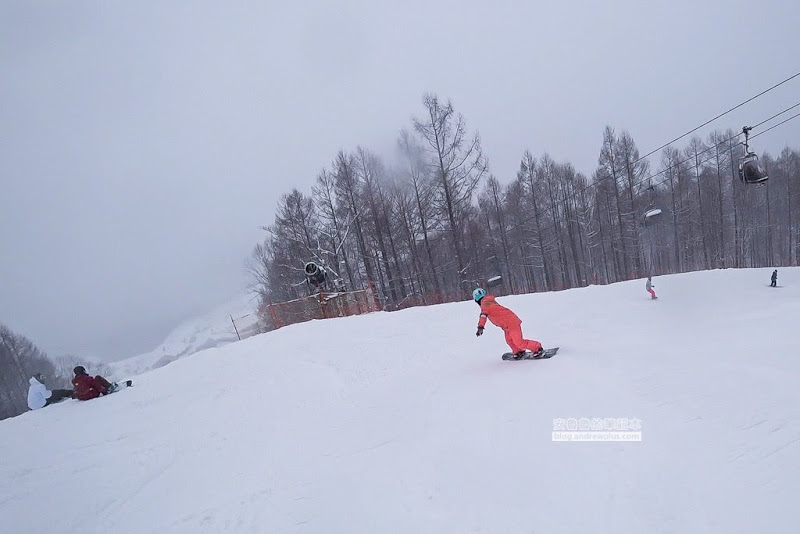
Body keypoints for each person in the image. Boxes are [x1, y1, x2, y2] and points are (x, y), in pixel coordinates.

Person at [473, 288, 543, 360]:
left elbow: (483, 315)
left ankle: (537, 348)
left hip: (511, 323)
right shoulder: (487, 301)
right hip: (506, 325)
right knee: (509, 340)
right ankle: (518, 351)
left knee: (519, 342)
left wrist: (480, 327)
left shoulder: (485, 303)